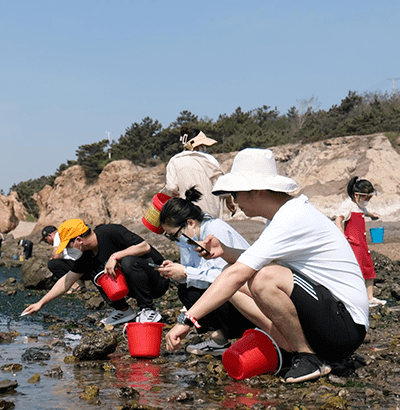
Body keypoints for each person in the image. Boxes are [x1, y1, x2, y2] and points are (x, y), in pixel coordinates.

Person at [164, 148, 369, 383]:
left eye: (236, 194)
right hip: (329, 322)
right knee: (233, 278)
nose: (235, 202)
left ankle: (309, 357)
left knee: (261, 279)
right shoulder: (280, 218)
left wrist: (188, 321)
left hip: (346, 327)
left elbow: (243, 273)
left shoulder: (291, 217)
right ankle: (294, 349)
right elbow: (255, 262)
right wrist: (225, 251)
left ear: (257, 191)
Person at [156, 187, 262, 355]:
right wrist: (176, 271)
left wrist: (185, 272)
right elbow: (196, 271)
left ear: (190, 223)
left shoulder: (214, 230)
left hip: (249, 298)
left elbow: (225, 276)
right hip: (233, 294)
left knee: (195, 288)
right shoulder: (193, 238)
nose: (174, 240)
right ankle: (218, 340)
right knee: (186, 290)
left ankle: (247, 333)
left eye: (174, 235)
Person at [22, 219, 170, 325]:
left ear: (79, 240)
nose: (67, 250)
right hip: (134, 286)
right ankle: (123, 310)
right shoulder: (86, 255)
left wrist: (116, 256)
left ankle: (148, 310)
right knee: (97, 274)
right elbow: (67, 281)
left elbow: (144, 246)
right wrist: (40, 303)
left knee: (127, 261)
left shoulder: (111, 232)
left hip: (158, 278)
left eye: (68, 245)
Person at [335, 177, 386, 307]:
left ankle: (369, 298)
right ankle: (353, 298)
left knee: (368, 269)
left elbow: (365, 212)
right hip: (352, 244)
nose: (367, 201)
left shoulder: (359, 206)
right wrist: (341, 233)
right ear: (357, 195)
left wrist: (373, 215)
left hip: (362, 243)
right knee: (355, 271)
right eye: (366, 198)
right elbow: (338, 219)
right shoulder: (348, 205)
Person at [163, 131, 233, 219]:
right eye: (202, 145)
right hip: (211, 215)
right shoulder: (210, 160)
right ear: (196, 145)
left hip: (188, 215)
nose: (204, 148)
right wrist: (229, 202)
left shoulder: (174, 160)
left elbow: (172, 187)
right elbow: (222, 186)